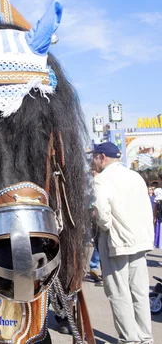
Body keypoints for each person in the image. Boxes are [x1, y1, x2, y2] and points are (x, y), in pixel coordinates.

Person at [90, 142, 154, 343]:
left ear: (102, 157)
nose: (92, 161)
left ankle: (129, 339)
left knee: (119, 293)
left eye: (94, 157)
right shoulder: (136, 177)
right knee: (140, 292)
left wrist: (105, 225)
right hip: (140, 240)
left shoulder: (102, 179)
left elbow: (101, 211)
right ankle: (145, 337)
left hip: (116, 240)